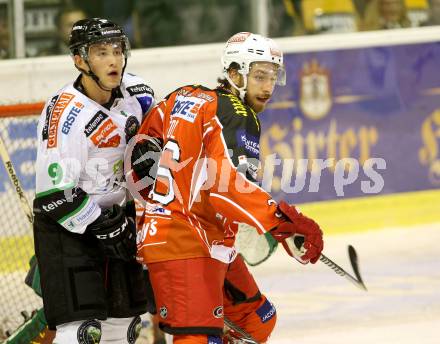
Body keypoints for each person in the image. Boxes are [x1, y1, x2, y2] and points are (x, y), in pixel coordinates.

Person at [129, 32, 324, 343]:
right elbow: (229, 187)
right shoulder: (237, 114)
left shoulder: (183, 96)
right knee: (200, 339)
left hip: (202, 239)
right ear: (234, 73)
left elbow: (139, 148)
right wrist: (281, 221)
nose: (268, 87)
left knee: (257, 320)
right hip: (184, 243)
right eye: (259, 76)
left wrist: (146, 214)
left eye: (273, 77)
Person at [32, 18, 156, 343]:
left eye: (117, 50)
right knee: (82, 332)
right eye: (101, 52)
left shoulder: (139, 94)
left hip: (118, 220)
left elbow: (159, 147)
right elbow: (54, 194)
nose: (113, 60)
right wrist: (103, 223)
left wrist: (153, 160)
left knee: (126, 325)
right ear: (79, 60)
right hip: (67, 226)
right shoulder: (65, 114)